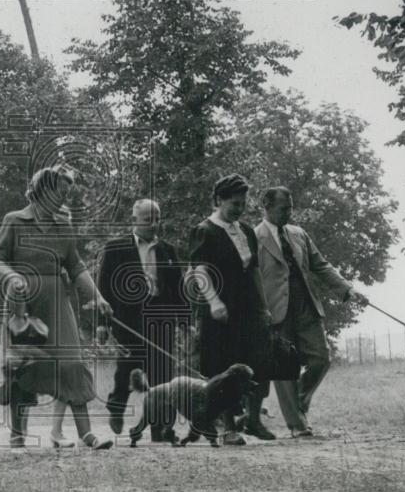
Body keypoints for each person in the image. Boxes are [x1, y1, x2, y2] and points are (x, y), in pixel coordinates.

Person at [0, 166, 114, 450]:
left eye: (66, 192)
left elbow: (77, 266)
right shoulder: (15, 220)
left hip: (57, 300)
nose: (63, 198)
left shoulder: (63, 226)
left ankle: (87, 434)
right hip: (22, 301)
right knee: (22, 365)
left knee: (72, 362)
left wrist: (99, 297)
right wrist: (12, 276)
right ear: (42, 190)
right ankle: (18, 433)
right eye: (60, 191)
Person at [251, 186, 368, 438]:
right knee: (283, 368)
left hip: (306, 305)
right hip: (274, 311)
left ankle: (299, 403)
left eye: (291, 208)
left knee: (321, 358)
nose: (289, 213)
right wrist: (257, 312)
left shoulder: (299, 234)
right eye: (284, 208)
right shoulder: (254, 237)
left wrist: (347, 290)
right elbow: (248, 279)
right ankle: (297, 424)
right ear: (267, 206)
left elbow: (321, 265)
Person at [187, 174, 272, 445]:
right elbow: (199, 271)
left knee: (255, 360)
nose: (239, 208)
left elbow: (254, 269)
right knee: (223, 366)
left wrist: (263, 306)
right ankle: (226, 428)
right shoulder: (205, 230)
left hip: (247, 304)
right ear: (219, 201)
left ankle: (253, 420)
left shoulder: (246, 231)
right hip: (221, 305)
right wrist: (213, 301)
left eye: (243, 203)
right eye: (234, 203)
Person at [97, 198, 189, 440]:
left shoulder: (167, 250)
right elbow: (103, 288)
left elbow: (178, 287)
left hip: (161, 315)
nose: (154, 224)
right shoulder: (115, 248)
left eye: (157, 219)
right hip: (128, 317)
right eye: (148, 220)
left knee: (163, 372)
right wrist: (101, 324)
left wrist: (185, 320)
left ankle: (162, 428)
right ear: (134, 221)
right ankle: (116, 407)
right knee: (128, 368)